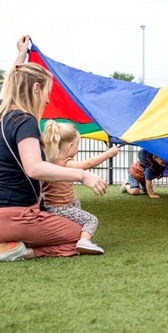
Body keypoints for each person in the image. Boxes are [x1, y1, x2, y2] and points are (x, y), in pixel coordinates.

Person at [0, 36, 107, 262]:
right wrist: (82, 175)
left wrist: (21, 54)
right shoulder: (24, 120)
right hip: (18, 217)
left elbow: (11, 84)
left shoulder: (3, 115)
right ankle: (24, 251)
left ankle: (10, 242)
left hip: (5, 217)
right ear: (36, 88)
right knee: (78, 234)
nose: (48, 100)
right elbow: (35, 168)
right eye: (48, 91)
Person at [41, 120, 119, 255]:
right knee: (91, 220)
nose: (77, 149)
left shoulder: (48, 162)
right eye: (78, 145)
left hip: (49, 206)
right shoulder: (65, 163)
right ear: (71, 146)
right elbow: (87, 164)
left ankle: (73, 230)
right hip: (60, 208)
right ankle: (84, 241)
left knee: (76, 200)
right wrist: (108, 154)